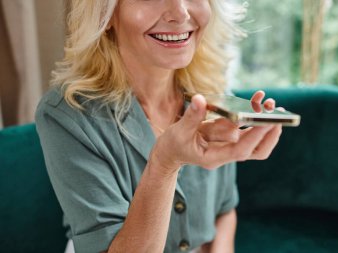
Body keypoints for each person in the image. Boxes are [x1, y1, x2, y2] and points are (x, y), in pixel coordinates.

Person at [35, 0, 283, 252]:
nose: (180, 13)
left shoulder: (212, 94)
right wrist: (164, 164)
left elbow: (224, 211)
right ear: (105, 14)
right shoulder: (66, 116)